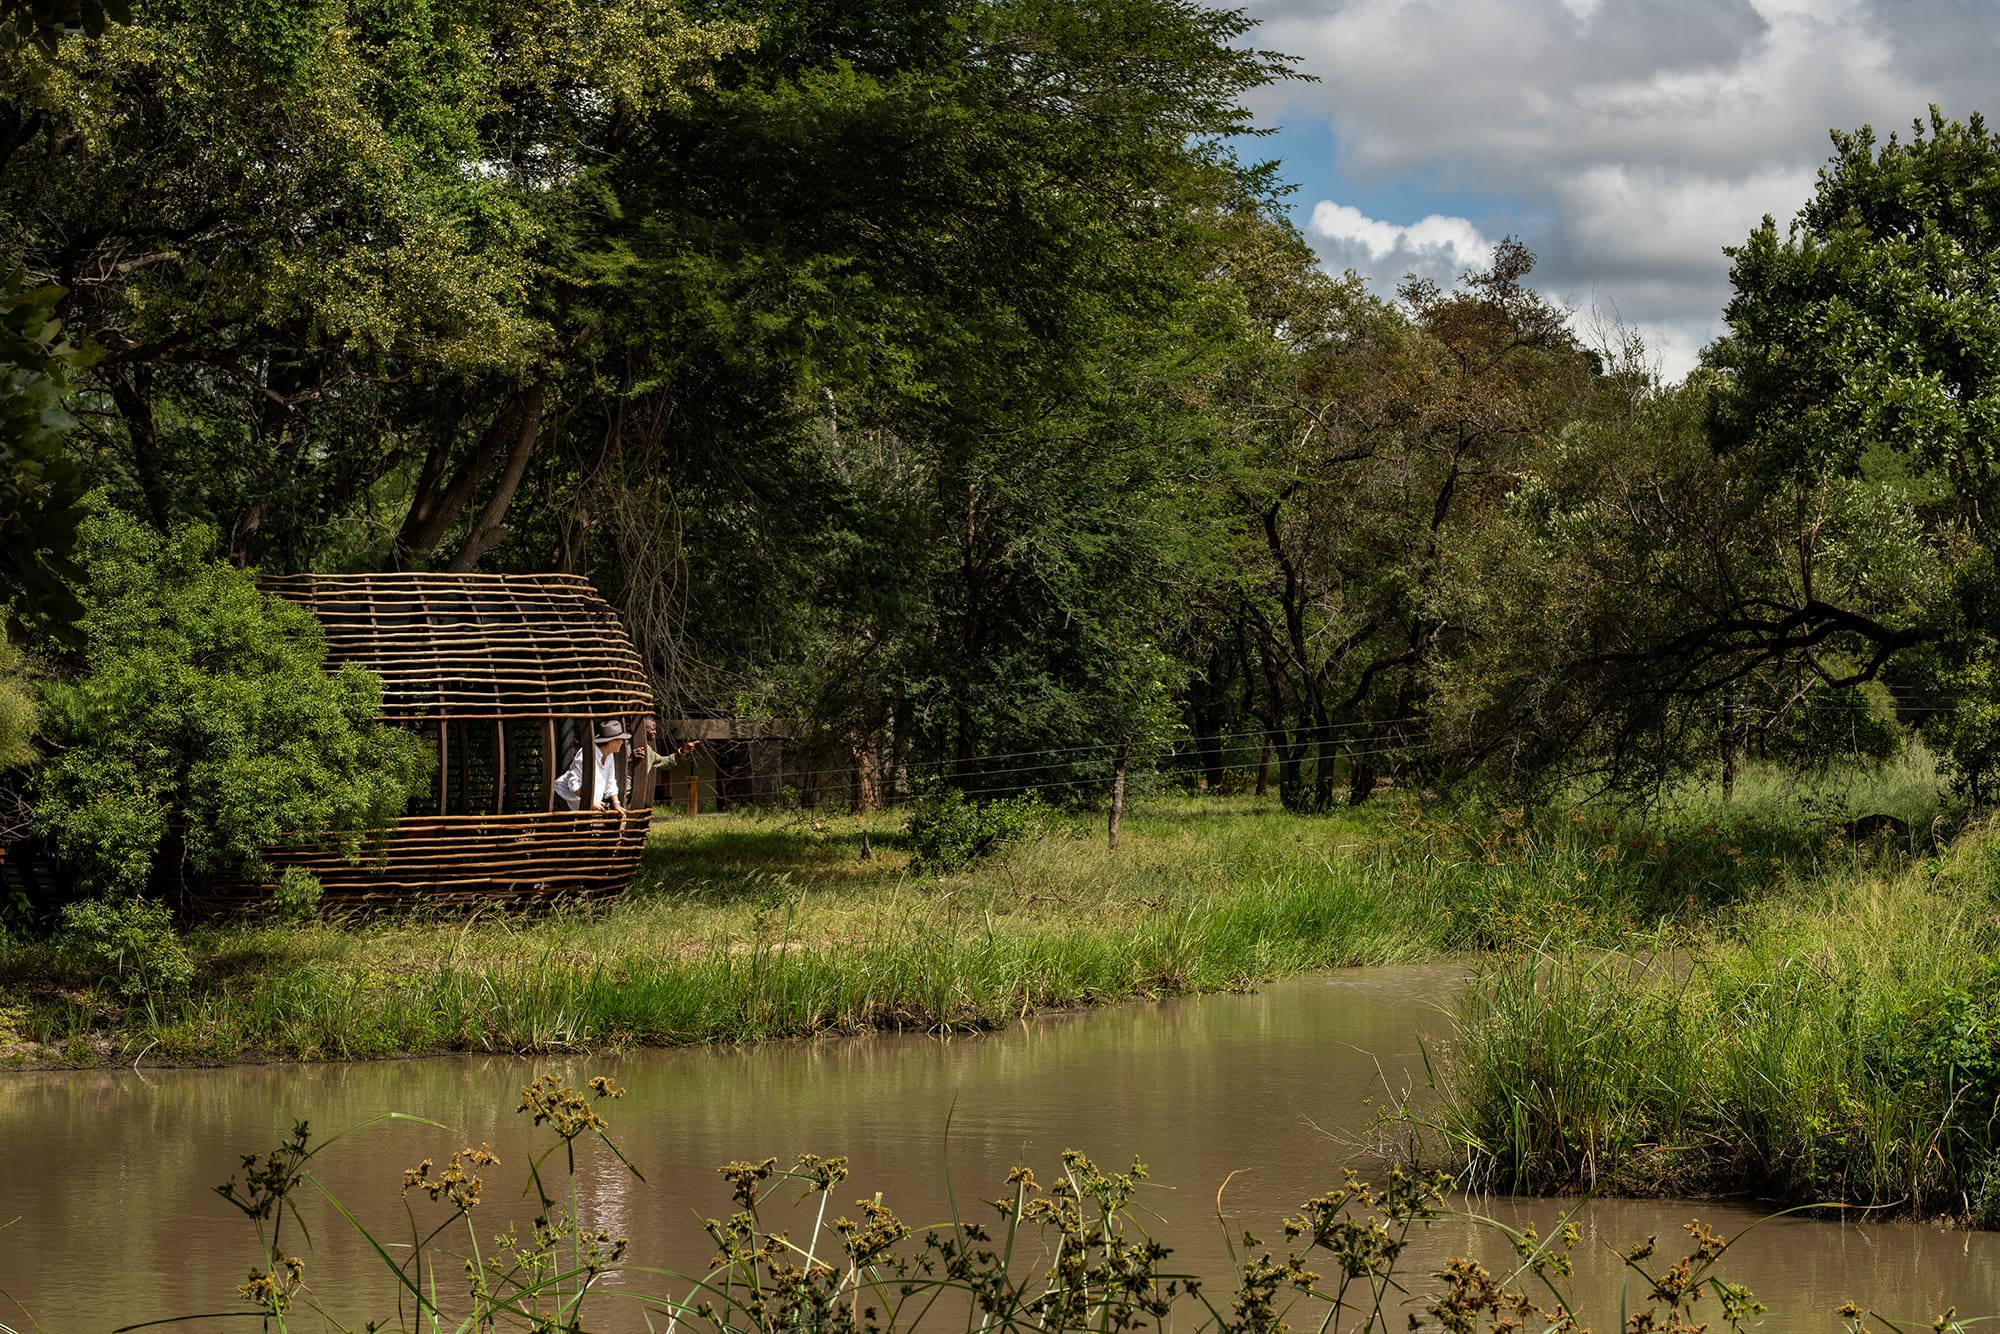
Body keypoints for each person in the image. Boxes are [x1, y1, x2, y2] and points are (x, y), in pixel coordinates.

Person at [555, 719, 630, 811]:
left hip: (581, 803)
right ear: (612, 742)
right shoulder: (587, 754)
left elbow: (611, 781)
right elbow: (574, 783)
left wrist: (616, 803)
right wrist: (591, 802)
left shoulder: (609, 755)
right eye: (620, 740)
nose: (622, 743)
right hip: (563, 799)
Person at [627, 715, 700, 805]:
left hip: (635, 798)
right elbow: (610, 766)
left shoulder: (648, 750)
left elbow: (665, 762)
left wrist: (681, 751)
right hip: (619, 796)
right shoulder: (624, 746)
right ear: (643, 730)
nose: (655, 732)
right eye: (652, 729)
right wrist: (630, 759)